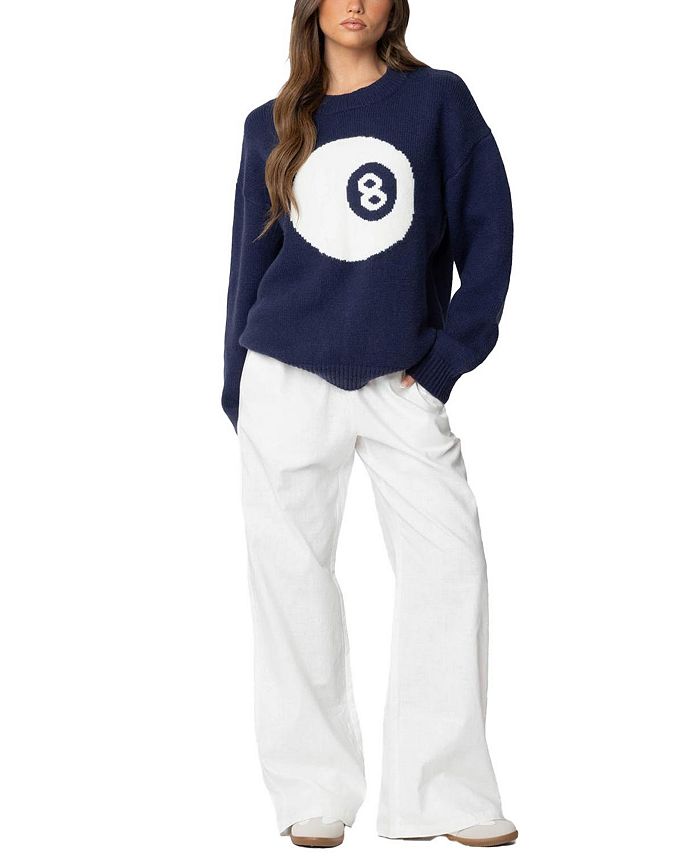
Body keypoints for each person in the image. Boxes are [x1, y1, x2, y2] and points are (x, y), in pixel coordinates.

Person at [221, 0, 517, 848]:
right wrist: (239, 387)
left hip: (402, 378)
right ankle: (313, 791)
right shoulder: (269, 124)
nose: (355, 2)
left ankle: (444, 794)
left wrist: (447, 362)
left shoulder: (437, 101)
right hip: (284, 375)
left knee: (449, 569)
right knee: (291, 582)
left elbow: (489, 235)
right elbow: (248, 261)